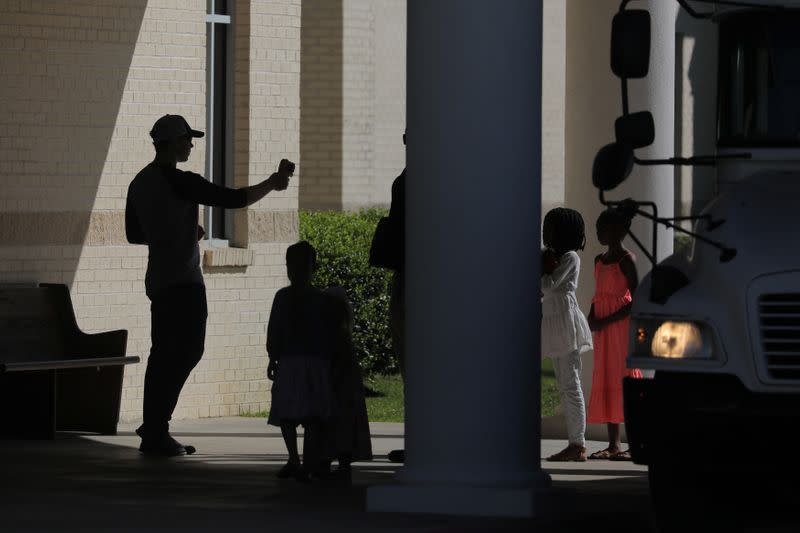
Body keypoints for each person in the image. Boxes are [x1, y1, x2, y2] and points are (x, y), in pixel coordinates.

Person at [126, 114, 293, 457]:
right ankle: (157, 427)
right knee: (188, 351)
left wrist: (178, 233)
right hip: (184, 282)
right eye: (187, 139)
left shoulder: (139, 183)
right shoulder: (182, 181)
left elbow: (134, 234)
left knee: (163, 355)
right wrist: (273, 183)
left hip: (158, 280)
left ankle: (154, 425)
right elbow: (235, 200)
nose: (191, 145)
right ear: (172, 144)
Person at [266, 241, 333, 482]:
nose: (295, 270)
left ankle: (304, 460)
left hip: (311, 362)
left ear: (312, 267)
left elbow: (327, 334)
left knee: (311, 415)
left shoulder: (319, 300)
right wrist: (273, 356)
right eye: (291, 265)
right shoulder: (285, 298)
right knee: (288, 413)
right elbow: (274, 330)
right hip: (292, 360)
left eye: (300, 265)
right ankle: (295, 458)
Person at [586, 208, 642, 461]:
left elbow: (635, 300)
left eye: (603, 228)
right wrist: (592, 315)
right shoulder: (598, 259)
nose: (599, 233)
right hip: (603, 328)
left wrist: (606, 319)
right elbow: (599, 294)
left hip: (619, 326)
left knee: (625, 376)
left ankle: (636, 442)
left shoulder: (626, 260)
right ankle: (613, 443)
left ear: (618, 231)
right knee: (607, 375)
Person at [540, 208, 594, 462]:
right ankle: (574, 442)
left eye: (550, 227)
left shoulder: (571, 257)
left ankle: (578, 444)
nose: (545, 232)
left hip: (565, 323)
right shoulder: (554, 257)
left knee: (570, 384)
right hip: (554, 322)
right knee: (564, 384)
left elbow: (548, 286)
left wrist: (540, 268)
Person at [323, 286, 373, 481]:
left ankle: (336, 464)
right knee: (340, 426)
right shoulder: (343, 337)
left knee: (337, 426)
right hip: (342, 393)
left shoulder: (338, 338)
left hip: (340, 392)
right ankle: (338, 464)